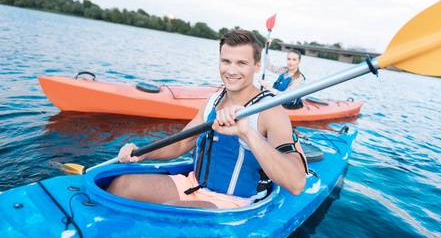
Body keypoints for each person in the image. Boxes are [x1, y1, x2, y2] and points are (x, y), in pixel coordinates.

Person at [106, 30, 308, 209]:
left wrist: (246, 133)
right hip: (194, 185)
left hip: (236, 202)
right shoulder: (213, 100)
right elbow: (181, 143)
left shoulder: (270, 110)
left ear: (257, 66)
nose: (231, 71)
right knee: (122, 185)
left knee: (172, 211)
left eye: (241, 63)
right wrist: (142, 153)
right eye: (226, 61)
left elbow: (296, 183)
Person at [258, 39, 305, 109]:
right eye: (289, 59)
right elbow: (268, 66)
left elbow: (285, 96)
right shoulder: (284, 70)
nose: (290, 62)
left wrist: (267, 87)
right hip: (275, 101)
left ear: (299, 62)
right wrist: (266, 49)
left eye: (294, 60)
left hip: (287, 106)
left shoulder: (299, 79)